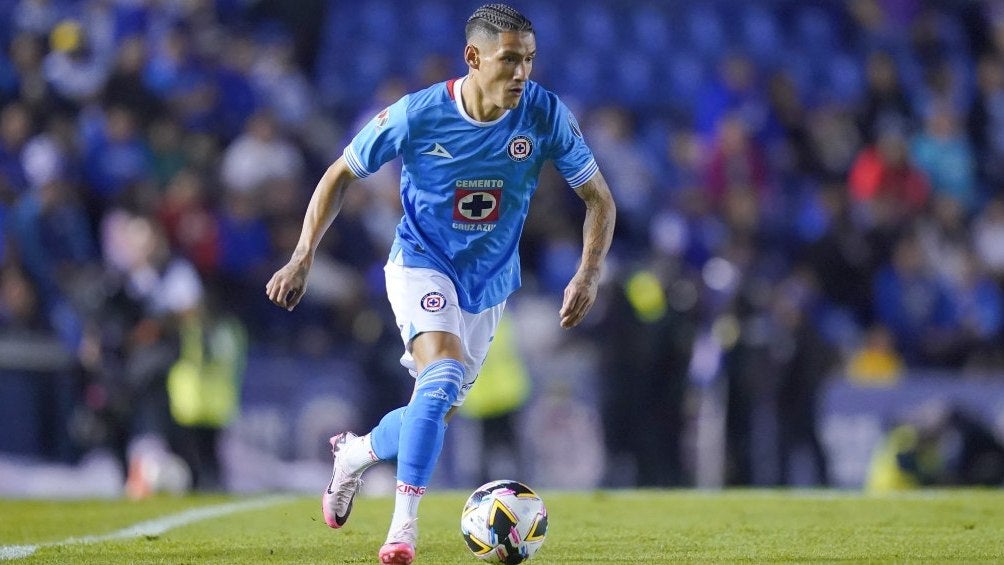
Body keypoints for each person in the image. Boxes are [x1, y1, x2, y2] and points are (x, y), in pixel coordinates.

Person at [264, 4, 616, 564]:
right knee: (443, 373)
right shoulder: (418, 114)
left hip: (489, 283)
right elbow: (340, 174)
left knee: (433, 408)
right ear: (473, 57)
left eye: (529, 60)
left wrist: (588, 272)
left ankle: (355, 454)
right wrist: (302, 256)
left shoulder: (545, 113)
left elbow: (598, 198)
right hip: (421, 264)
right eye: (509, 60)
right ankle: (402, 530)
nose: (522, 73)